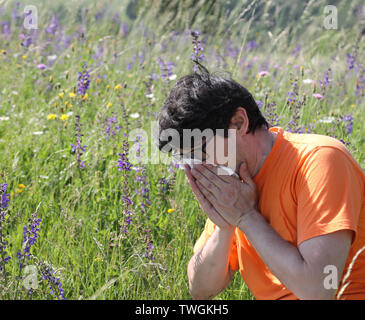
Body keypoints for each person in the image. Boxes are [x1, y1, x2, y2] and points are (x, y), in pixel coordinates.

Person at [157, 67, 365, 300]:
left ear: (238, 123)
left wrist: (246, 217)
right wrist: (226, 225)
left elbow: (317, 290)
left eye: (201, 151)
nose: (197, 167)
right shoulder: (232, 184)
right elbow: (200, 289)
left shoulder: (320, 159)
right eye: (188, 158)